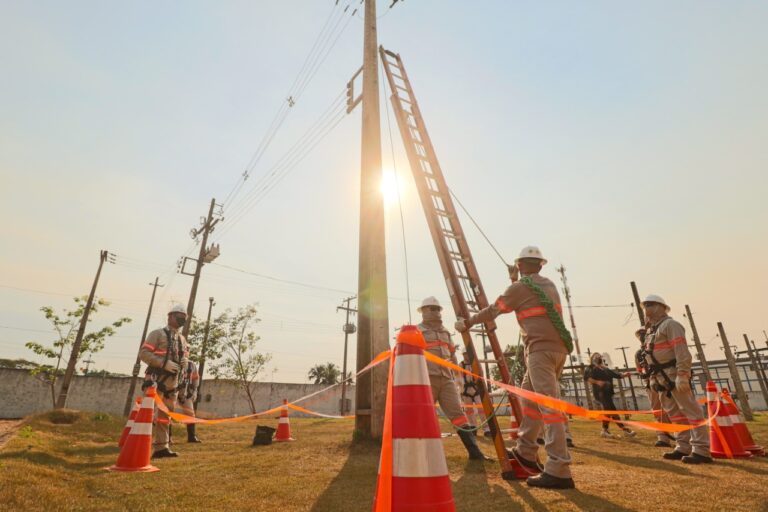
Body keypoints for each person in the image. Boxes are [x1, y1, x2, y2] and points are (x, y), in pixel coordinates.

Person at [456, 246, 575, 489]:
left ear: (520, 265)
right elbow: (526, 295)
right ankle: (526, 451)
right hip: (557, 349)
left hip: (540, 350)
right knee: (530, 400)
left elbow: (495, 310)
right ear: (540, 265)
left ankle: (559, 468)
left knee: (548, 406)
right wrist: (514, 280)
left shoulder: (520, 287)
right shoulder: (548, 284)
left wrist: (466, 323)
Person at [417, 296, 491, 461]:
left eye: (437, 309)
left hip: (446, 379)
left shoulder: (445, 332)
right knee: (423, 416)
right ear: (423, 311)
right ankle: (419, 455)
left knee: (458, 414)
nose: (436, 312)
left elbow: (452, 354)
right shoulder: (416, 331)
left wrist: (458, 378)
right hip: (427, 378)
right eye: (432, 308)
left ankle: (474, 452)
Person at [641, 295, 711, 464]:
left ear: (661, 307)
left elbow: (682, 351)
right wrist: (652, 377)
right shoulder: (651, 331)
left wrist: (682, 374)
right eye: (645, 305)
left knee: (691, 411)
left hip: (674, 374)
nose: (647, 309)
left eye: (650, 305)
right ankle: (683, 446)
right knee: (675, 414)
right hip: (660, 378)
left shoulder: (671, 325)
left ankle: (701, 449)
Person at [140, 304, 190, 458]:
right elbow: (143, 353)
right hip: (156, 381)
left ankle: (162, 447)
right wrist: (162, 363)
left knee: (165, 416)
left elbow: (185, 358)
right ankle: (138, 442)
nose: (182, 319)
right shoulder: (157, 334)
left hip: (172, 384)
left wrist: (184, 362)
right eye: (179, 316)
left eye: (184, 317)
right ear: (170, 317)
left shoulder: (182, 339)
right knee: (147, 414)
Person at [634, 327, 675, 447]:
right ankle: (663, 437)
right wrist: (646, 375)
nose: (642, 337)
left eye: (643, 334)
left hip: (666, 381)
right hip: (652, 384)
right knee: (657, 411)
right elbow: (639, 369)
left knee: (672, 409)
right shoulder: (639, 353)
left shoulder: (658, 347)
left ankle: (682, 436)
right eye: (640, 335)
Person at [584, 352, 636, 438]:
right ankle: (620, 429)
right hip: (599, 393)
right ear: (592, 358)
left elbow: (616, 375)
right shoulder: (590, 368)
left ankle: (608, 430)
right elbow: (587, 378)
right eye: (596, 356)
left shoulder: (605, 368)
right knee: (610, 410)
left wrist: (625, 375)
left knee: (611, 411)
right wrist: (597, 382)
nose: (598, 357)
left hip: (607, 393)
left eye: (599, 356)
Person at [458, 349, 491, 437]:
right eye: (464, 354)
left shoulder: (476, 364)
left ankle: (487, 429)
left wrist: (481, 387)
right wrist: (461, 390)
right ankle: (473, 427)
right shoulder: (461, 365)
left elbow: (481, 375)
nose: (466, 356)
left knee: (481, 410)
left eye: (467, 354)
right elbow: (458, 377)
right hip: (465, 391)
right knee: (469, 411)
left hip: (476, 390)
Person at [177, 360, 201, 443]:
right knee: (167, 413)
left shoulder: (191, 364)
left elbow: (196, 379)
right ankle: (167, 438)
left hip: (185, 393)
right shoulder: (171, 360)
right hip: (171, 392)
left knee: (190, 414)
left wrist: (195, 392)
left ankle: (192, 437)